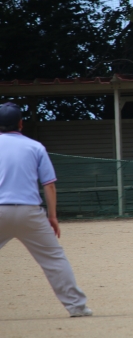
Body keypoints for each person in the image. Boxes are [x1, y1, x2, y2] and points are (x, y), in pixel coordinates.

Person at [0, 102, 92, 317]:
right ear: (21, 123)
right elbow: (49, 184)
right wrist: (52, 216)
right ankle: (77, 307)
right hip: (29, 212)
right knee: (53, 259)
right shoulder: (35, 147)